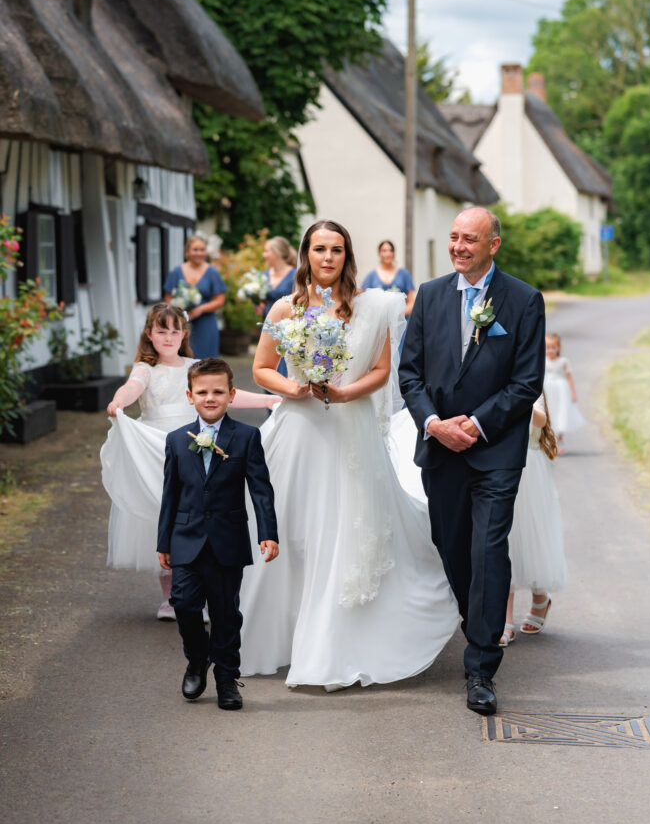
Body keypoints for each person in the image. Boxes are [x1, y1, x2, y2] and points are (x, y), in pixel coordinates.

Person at [239, 220, 458, 689]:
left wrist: (344, 394)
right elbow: (261, 368)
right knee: (296, 529)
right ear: (306, 254)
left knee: (343, 529)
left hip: (350, 428)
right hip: (299, 431)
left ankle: (337, 641)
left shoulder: (372, 306)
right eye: (319, 249)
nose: (328, 258)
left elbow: (383, 370)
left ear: (347, 256)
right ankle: (289, 633)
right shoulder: (284, 307)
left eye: (337, 250)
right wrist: (293, 387)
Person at [399, 207, 545, 716]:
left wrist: (477, 425)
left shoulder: (525, 300)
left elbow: (526, 383)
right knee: (451, 545)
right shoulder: (431, 295)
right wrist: (435, 423)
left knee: (488, 549)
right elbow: (409, 373)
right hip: (440, 445)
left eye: (471, 239)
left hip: (496, 450)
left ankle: (481, 665)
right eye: (455, 237)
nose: (460, 246)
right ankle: (476, 621)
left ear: (494, 245)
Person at [101, 302, 280, 620]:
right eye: (161, 331)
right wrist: (119, 401)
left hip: (198, 445)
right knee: (171, 520)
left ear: (183, 333)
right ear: (149, 334)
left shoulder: (196, 366)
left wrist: (268, 398)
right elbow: (133, 388)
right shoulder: (146, 369)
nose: (168, 337)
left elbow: (227, 395)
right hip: (159, 450)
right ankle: (172, 596)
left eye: (174, 330)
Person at [158, 357, 278, 711]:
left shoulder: (246, 437)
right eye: (202, 392)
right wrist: (163, 541)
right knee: (183, 602)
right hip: (185, 538)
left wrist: (268, 532)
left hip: (227, 539)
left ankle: (226, 677)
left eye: (218, 392)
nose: (210, 398)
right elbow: (170, 495)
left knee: (226, 612)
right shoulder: (177, 440)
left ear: (231, 394)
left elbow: (261, 489)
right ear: (189, 395)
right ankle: (197, 659)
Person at [499, 394, 568, 647]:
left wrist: (516, 399)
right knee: (505, 544)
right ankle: (504, 617)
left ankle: (540, 599)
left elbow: (541, 417)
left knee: (532, 543)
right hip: (502, 467)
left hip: (530, 474)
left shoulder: (530, 383)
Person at [163, 235, 226, 358]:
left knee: (205, 362)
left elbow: (220, 300)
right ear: (188, 251)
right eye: (195, 249)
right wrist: (179, 311)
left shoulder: (212, 272)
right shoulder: (177, 272)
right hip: (181, 323)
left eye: (202, 250)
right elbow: (168, 298)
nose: (199, 253)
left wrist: (201, 309)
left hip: (206, 323)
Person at [543, 332, 585, 452]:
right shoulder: (543, 360)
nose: (550, 350)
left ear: (558, 348)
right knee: (549, 413)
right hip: (547, 389)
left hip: (561, 390)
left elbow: (569, 377)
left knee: (560, 413)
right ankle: (548, 441)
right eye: (547, 347)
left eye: (553, 347)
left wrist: (573, 393)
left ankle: (559, 441)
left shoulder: (563, 361)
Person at [362, 240, 415, 318]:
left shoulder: (404, 274)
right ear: (379, 253)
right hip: (378, 323)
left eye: (391, 250)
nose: (388, 254)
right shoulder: (371, 276)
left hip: (401, 322)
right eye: (384, 251)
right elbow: (364, 302)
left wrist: (397, 315)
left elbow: (411, 302)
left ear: (394, 253)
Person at [256, 236, 297, 319]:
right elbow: (262, 303)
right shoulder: (263, 275)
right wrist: (259, 304)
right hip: (267, 324)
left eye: (266, 251)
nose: (264, 255)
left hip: (288, 325)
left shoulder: (295, 275)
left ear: (277, 252)